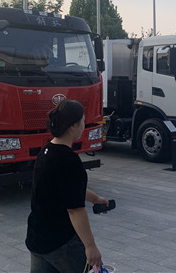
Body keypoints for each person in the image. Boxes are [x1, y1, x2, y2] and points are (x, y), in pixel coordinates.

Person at [26, 99, 108, 272]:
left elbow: (66, 188)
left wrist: (95, 199)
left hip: (38, 239)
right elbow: (75, 210)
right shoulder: (69, 160)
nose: (84, 125)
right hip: (61, 243)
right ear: (73, 126)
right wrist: (90, 246)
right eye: (83, 121)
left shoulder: (46, 152)